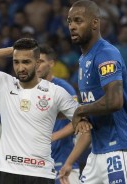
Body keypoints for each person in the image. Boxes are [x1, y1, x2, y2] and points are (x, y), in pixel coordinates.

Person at [59, 1, 127, 183]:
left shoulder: (106, 53)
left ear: (95, 23)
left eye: (78, 21)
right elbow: (91, 107)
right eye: (70, 21)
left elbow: (114, 101)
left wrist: (80, 111)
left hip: (122, 150)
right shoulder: (83, 59)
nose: (72, 26)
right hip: (97, 150)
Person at [0, 38, 91, 184]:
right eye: (16, 62)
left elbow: (82, 122)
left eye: (26, 62)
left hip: (40, 172)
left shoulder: (56, 92)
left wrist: (79, 123)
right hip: (8, 170)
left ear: (37, 62)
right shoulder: (4, 83)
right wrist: (11, 51)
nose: (20, 68)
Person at [37, 44, 80, 184]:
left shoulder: (64, 88)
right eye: (35, 62)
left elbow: (77, 121)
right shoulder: (31, 89)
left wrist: (52, 137)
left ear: (51, 63)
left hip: (63, 164)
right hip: (39, 165)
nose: (37, 66)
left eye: (41, 62)